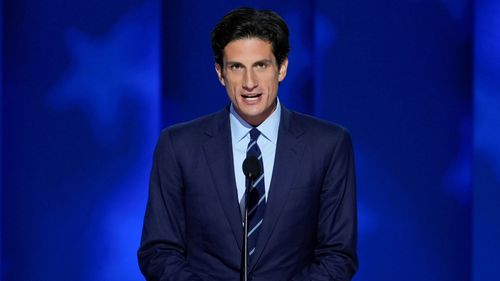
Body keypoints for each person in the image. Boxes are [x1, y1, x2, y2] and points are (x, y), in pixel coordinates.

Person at [138, 7, 358, 281]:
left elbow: (338, 254)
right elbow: (158, 251)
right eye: (236, 67)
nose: (249, 83)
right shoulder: (178, 145)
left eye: (261, 66)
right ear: (220, 73)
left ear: (282, 68)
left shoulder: (329, 144)